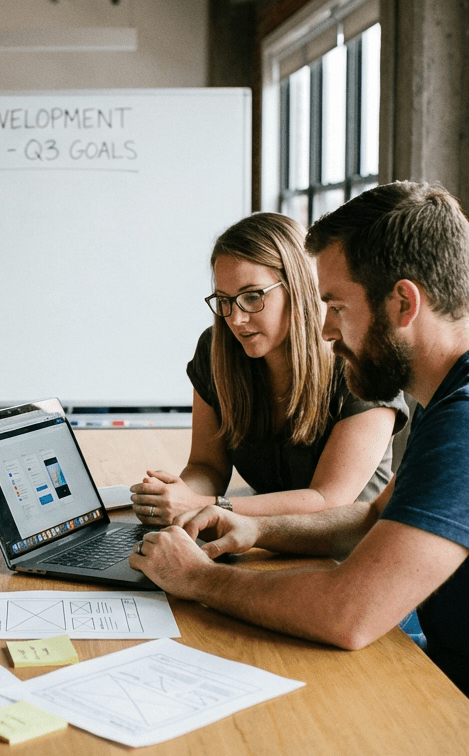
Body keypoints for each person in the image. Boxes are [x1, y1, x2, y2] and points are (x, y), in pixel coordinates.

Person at [129, 182, 469, 756]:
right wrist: (259, 529)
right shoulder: (460, 394)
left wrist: (200, 579)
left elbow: (349, 614)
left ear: (402, 304)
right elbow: (372, 518)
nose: (326, 330)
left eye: (337, 307)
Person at [131, 213, 407, 527]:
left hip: (353, 547)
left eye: (252, 297)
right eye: (224, 300)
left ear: (298, 287)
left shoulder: (361, 356)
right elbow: (208, 466)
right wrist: (174, 498)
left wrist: (203, 505)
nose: (235, 319)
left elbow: (328, 500)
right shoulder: (216, 349)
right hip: (264, 541)